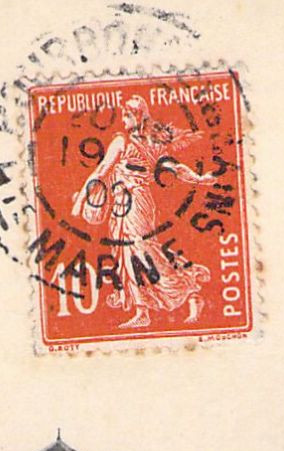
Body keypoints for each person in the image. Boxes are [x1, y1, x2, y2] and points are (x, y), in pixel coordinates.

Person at [69, 95, 221, 328]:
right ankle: (148, 307)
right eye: (123, 114)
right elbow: (103, 170)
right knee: (128, 252)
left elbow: (174, 168)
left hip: (137, 203)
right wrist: (82, 196)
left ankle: (184, 292)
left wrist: (199, 179)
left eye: (128, 115)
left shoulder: (139, 144)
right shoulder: (127, 141)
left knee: (140, 250)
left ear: (139, 117)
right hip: (121, 205)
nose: (123, 119)